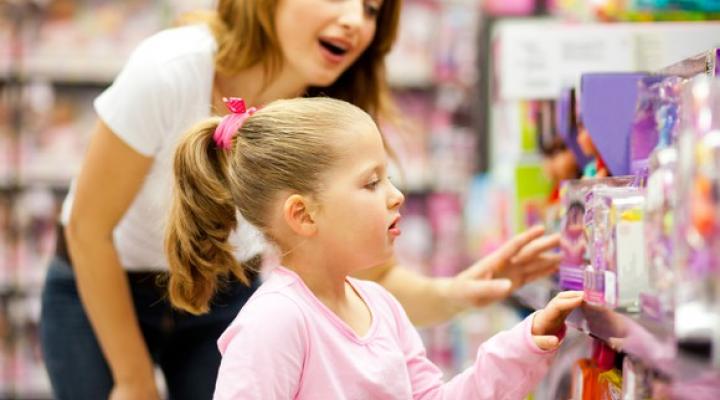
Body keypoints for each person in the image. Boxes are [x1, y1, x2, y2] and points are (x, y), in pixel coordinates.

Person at [40, 1, 559, 399]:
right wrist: (134, 382)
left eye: (372, 9)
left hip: (223, 284)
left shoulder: (326, 119)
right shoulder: (170, 67)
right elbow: (88, 229)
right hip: (102, 282)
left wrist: (466, 291)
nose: (355, 19)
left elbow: (367, 287)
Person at [166, 96, 583, 399]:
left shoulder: (381, 307)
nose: (396, 195)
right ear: (304, 215)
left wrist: (523, 345)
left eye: (389, 178)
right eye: (371, 182)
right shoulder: (277, 321)